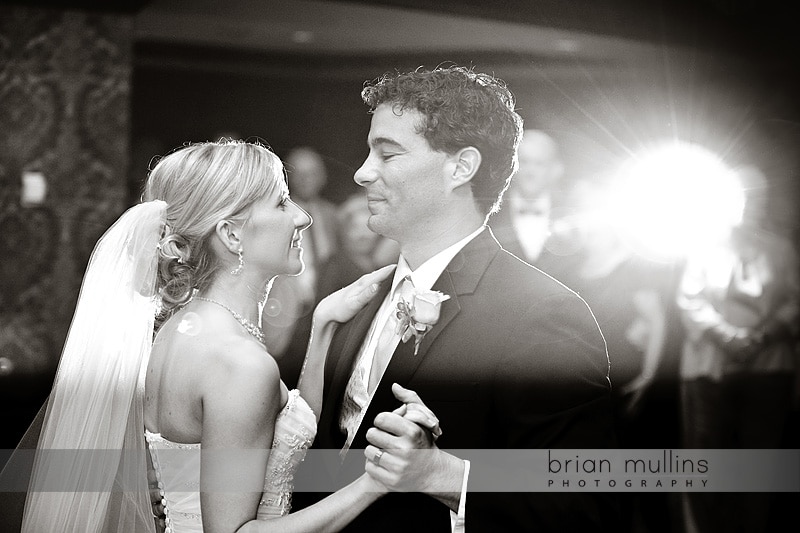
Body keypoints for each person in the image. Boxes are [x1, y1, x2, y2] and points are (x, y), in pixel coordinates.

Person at [13, 140, 440, 533]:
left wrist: (323, 325)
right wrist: (376, 482)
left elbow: (276, 440)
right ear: (232, 235)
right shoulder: (238, 363)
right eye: (281, 202)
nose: (302, 217)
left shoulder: (179, 329)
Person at [296, 66, 619, 531]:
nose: (363, 173)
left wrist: (442, 474)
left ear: (460, 168)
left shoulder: (543, 313)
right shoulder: (358, 299)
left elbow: (584, 508)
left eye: (387, 154)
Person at [676, 165, 800, 533]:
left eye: (758, 197)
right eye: (742, 196)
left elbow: (795, 300)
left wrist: (762, 336)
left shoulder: (781, 249)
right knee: (705, 462)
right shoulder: (701, 244)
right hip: (711, 368)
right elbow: (689, 300)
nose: (750, 205)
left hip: (768, 370)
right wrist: (728, 336)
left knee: (760, 465)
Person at [266, 146, 339, 388]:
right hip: (285, 313)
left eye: (313, 172)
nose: (307, 179)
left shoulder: (334, 216)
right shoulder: (276, 214)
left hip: (323, 314)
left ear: (323, 176)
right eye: (300, 173)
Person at [489, 128, 575, 280]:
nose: (530, 171)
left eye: (539, 163)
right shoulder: (489, 214)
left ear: (556, 169)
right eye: (524, 161)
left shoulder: (574, 217)